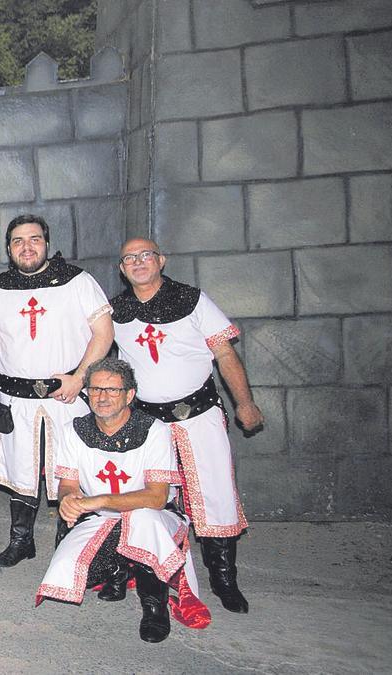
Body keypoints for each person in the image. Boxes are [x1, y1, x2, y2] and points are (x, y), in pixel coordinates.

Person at [112, 237, 259, 614]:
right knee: (151, 498)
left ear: (161, 259)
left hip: (198, 415)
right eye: (130, 258)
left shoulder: (193, 300)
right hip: (147, 422)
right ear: (122, 268)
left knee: (214, 495)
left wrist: (245, 403)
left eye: (146, 255)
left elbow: (224, 353)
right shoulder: (116, 311)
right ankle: (153, 574)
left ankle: (224, 579)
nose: (139, 262)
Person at [35, 358, 210, 643]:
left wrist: (97, 499)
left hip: (154, 518)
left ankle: (154, 607)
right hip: (101, 517)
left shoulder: (154, 430)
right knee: (67, 574)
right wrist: (68, 500)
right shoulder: (73, 430)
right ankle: (118, 569)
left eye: (112, 390)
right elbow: (68, 485)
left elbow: (156, 497)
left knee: (142, 520)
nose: (102, 397)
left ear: (129, 395)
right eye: (95, 390)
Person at [0, 214, 114, 568]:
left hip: (66, 394)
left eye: (34, 239)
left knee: (69, 469)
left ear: (46, 242)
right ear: (9, 250)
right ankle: (21, 539)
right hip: (15, 397)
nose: (27, 247)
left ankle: (69, 542)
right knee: (19, 470)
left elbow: (104, 332)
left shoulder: (77, 281)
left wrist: (80, 378)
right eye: (18, 241)